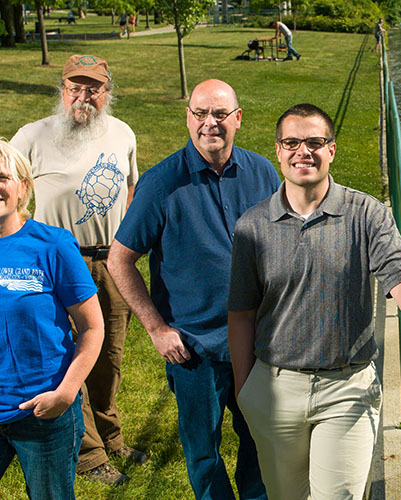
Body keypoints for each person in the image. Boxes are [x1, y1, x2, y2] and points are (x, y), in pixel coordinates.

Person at [227, 103, 401, 500]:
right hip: (275, 391)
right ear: (278, 150)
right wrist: (246, 390)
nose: (302, 152)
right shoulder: (252, 226)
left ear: (332, 150)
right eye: (292, 142)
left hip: (346, 389)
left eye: (314, 142)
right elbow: (241, 313)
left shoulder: (366, 214)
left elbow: (400, 270)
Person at [107, 79, 279, 499]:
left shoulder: (263, 173)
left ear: (237, 119)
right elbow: (119, 259)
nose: (210, 124)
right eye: (200, 113)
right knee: (204, 454)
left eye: (220, 114)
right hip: (194, 350)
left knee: (261, 444)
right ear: (188, 118)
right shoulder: (161, 183)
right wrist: (156, 328)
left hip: (256, 343)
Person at [0, 138, 104, 500]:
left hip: (45, 416)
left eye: (2, 177)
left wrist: (65, 393)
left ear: (23, 187)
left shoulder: (54, 245)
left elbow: (92, 327)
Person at [10, 54, 143, 486]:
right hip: (57, 264)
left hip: (111, 259)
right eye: (75, 87)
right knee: (70, 357)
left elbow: (130, 188)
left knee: (110, 356)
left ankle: (111, 435)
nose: (83, 96)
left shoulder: (122, 133)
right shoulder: (33, 136)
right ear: (62, 89)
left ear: (107, 91)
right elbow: (7, 191)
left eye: (94, 88)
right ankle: (88, 455)